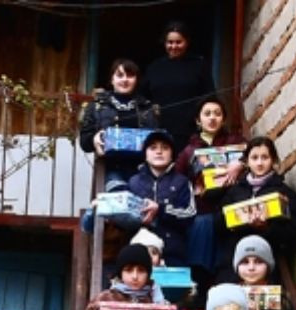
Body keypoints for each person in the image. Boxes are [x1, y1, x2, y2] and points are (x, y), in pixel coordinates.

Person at [175, 95, 246, 282]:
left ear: (223, 119)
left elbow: (255, 156)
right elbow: (177, 180)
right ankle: (199, 281)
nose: (212, 118)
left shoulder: (236, 142)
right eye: (207, 114)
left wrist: (241, 163)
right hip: (203, 208)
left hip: (232, 201)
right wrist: (193, 188)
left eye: (217, 113)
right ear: (198, 120)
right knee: (202, 224)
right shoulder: (188, 151)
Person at [215, 136, 296, 285]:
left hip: (269, 262)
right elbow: (218, 224)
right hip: (234, 260)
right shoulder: (235, 191)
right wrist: (238, 220)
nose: (259, 163)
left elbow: (293, 231)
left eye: (265, 157)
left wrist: (267, 228)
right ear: (247, 162)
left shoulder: (284, 192)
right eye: (254, 158)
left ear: (273, 160)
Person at [79, 58, 160, 194]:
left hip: (142, 170)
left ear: (136, 80)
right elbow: (84, 143)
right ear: (112, 79)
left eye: (130, 75)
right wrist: (95, 138)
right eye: (120, 75)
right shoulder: (97, 106)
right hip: (110, 168)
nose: (125, 80)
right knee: (116, 204)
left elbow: (156, 140)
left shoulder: (147, 107)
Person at [139, 20, 216, 154]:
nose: (174, 46)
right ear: (164, 43)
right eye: (170, 42)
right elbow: (141, 99)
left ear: (187, 42)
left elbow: (210, 97)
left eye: (178, 42)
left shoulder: (199, 65)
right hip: (159, 133)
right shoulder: (154, 68)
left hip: (191, 133)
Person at [127, 129, 196, 268]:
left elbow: (190, 213)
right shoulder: (133, 182)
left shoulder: (182, 181)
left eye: (165, 148)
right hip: (139, 253)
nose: (159, 151)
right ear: (145, 154)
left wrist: (160, 210)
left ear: (172, 155)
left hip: (172, 253)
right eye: (153, 148)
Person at [232, 235, 290, 310]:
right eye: (245, 262)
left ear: (268, 266)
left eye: (258, 262)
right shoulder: (231, 291)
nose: (251, 268)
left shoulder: (279, 294)